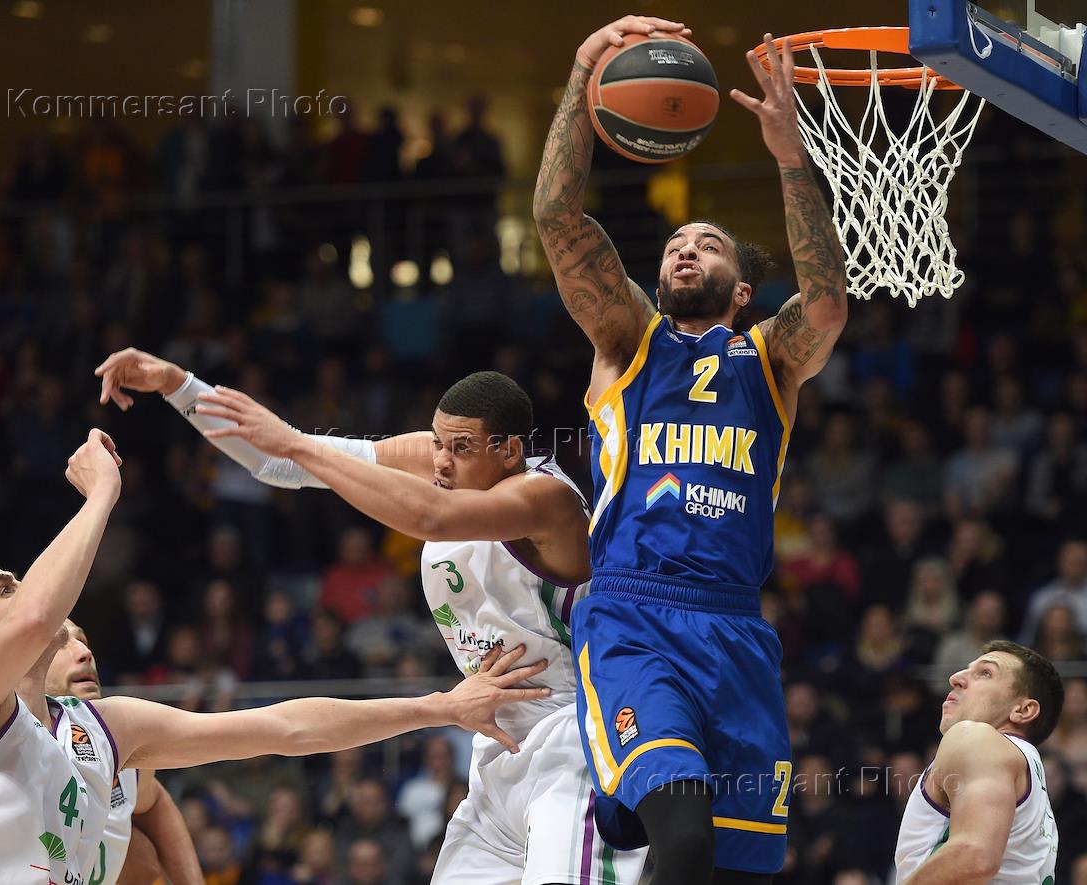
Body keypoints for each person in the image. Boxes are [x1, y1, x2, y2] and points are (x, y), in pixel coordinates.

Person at [0, 429, 551, 883]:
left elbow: (285, 728)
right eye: (3, 588)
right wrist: (101, 494)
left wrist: (440, 707)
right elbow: (37, 616)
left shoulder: (102, 729)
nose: (27, 593)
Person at [94, 347, 649, 883]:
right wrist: (177, 384)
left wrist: (298, 443)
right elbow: (278, 462)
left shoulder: (545, 498)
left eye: (460, 448)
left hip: (573, 734)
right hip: (494, 739)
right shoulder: (446, 465)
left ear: (509, 451)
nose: (440, 460)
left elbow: (431, 518)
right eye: (437, 442)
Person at [532, 15, 851, 884]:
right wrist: (583, 71)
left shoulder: (769, 358)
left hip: (737, 623)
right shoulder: (628, 339)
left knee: (737, 867)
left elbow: (827, 303)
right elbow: (557, 216)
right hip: (634, 615)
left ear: (741, 289)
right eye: (675, 244)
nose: (684, 249)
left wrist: (790, 157)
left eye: (706, 244)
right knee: (681, 834)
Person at [0, 618, 204, 884]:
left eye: (84, 641)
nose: (85, 653)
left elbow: (154, 803)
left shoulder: (113, 744)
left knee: (142, 858)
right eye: (62, 642)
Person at [893, 640, 1062, 883]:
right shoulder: (1029, 770)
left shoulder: (975, 737)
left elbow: (975, 855)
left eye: (985, 673)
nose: (955, 678)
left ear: (1023, 710)